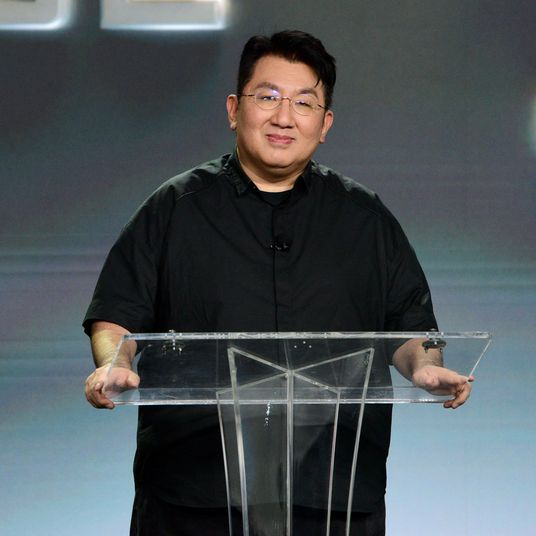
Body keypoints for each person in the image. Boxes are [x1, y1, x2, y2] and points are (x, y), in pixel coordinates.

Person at [84, 30, 473, 536]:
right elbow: (117, 315)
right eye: (267, 97)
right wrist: (114, 364)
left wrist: (425, 367)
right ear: (234, 109)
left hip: (331, 497)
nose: (284, 117)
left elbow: (410, 325)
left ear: (324, 124)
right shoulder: (175, 209)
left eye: (304, 102)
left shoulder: (364, 218)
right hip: (194, 499)